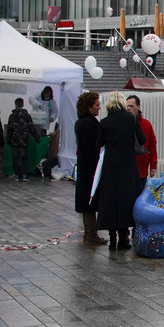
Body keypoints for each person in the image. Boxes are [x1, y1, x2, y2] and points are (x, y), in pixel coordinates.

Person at [96, 92, 146, 250]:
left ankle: (112, 238)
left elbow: (98, 143)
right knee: (126, 201)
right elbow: (142, 139)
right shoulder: (131, 120)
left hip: (110, 167)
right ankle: (124, 238)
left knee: (110, 201)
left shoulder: (104, 122)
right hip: (128, 166)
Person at [74, 91, 104, 245]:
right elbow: (91, 149)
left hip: (86, 169)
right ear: (89, 106)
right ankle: (91, 234)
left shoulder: (82, 122)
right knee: (89, 203)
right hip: (90, 170)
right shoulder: (88, 124)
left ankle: (90, 233)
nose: (99, 108)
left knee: (88, 203)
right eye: (97, 105)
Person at [125, 94, 157, 193]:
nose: (129, 108)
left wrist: (153, 165)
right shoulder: (123, 123)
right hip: (127, 169)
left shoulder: (146, 124)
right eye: (127, 106)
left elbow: (152, 145)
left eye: (132, 106)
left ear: (138, 107)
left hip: (141, 169)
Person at [6, 97, 39, 182]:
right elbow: (32, 127)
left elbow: (9, 129)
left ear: (15, 104)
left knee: (15, 158)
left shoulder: (12, 116)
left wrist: (8, 138)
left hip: (14, 140)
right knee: (24, 158)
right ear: (23, 104)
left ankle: (17, 175)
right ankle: (25, 175)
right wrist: (36, 137)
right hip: (24, 140)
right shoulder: (26, 116)